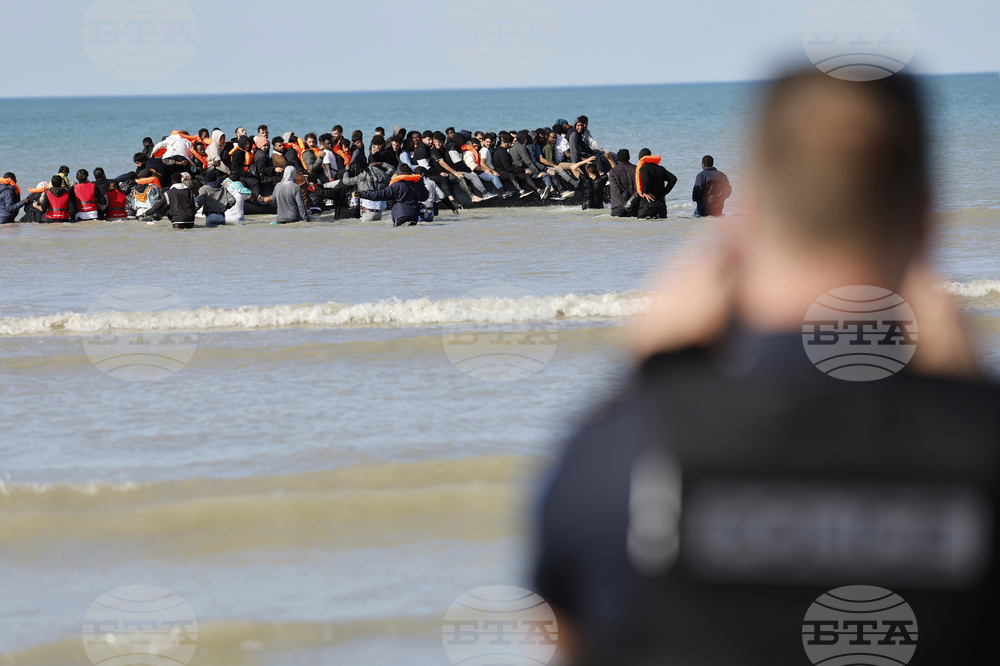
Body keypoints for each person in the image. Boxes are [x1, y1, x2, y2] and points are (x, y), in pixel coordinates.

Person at [532, 68, 993, 666]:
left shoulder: (616, 457)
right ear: (928, 217)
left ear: (752, 209)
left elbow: (570, 644)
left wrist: (647, 384)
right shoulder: (981, 448)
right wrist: (972, 396)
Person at [359, 164, 429, 227]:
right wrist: (420, 183)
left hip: (400, 216)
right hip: (414, 216)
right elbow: (425, 196)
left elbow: (380, 195)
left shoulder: (396, 186)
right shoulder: (416, 185)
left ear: (398, 174)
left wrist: (363, 194)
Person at [634, 148, 677, 219]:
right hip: (661, 204)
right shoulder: (660, 168)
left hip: (648, 204)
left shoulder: (644, 168)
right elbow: (673, 179)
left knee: (641, 225)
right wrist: (664, 192)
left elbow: (646, 179)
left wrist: (646, 192)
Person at [493, 131, 537, 197]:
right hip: (500, 171)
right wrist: (523, 170)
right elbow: (508, 168)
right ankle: (521, 191)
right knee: (512, 176)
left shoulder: (499, 150)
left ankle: (538, 190)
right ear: (510, 144)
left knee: (525, 175)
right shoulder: (502, 152)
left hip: (502, 169)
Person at [607, 148, 638, 217]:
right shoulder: (636, 169)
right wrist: (632, 200)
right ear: (629, 158)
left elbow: (616, 189)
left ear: (618, 159)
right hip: (635, 207)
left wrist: (627, 201)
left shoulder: (613, 171)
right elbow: (639, 187)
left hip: (618, 206)